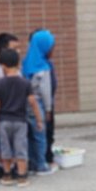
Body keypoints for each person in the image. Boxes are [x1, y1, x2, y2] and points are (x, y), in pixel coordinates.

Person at [0, 47, 42, 186]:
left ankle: (7, 176)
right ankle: (22, 176)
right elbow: (33, 102)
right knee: (21, 148)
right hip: (20, 121)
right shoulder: (25, 83)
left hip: (3, 122)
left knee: (5, 148)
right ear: (18, 64)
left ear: (3, 66)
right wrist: (39, 120)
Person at [22, 29, 58, 175]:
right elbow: (46, 92)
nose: (52, 50)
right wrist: (48, 110)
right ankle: (41, 165)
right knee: (40, 136)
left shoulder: (25, 64)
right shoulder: (44, 68)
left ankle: (31, 163)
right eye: (51, 47)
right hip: (39, 107)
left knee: (29, 136)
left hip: (26, 106)